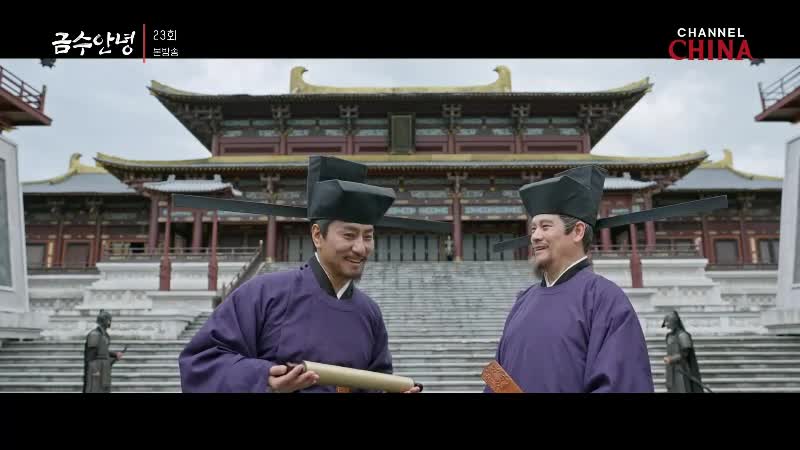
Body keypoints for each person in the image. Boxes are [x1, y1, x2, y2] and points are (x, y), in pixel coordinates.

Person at [178, 156, 444, 393]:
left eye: (368, 236)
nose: (361, 248)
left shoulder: (369, 312)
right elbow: (200, 362)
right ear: (318, 235)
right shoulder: (264, 293)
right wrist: (265, 379)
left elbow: (378, 380)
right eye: (349, 235)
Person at [485, 165, 654, 393]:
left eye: (545, 227)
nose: (535, 236)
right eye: (533, 228)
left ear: (577, 231)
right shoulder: (522, 301)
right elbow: (497, 378)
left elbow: (622, 384)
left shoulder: (604, 299)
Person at [662, 310, 705, 393]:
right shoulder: (669, 336)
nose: (666, 324)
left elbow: (685, 353)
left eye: (667, 322)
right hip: (671, 370)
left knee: (682, 389)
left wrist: (672, 359)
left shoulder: (683, 335)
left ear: (673, 322)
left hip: (682, 369)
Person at [82, 310, 124, 393]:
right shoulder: (94, 334)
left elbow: (103, 351)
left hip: (104, 369)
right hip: (97, 369)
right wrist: (95, 370)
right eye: (108, 320)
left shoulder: (104, 335)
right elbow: (90, 355)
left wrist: (115, 355)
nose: (110, 322)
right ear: (103, 321)